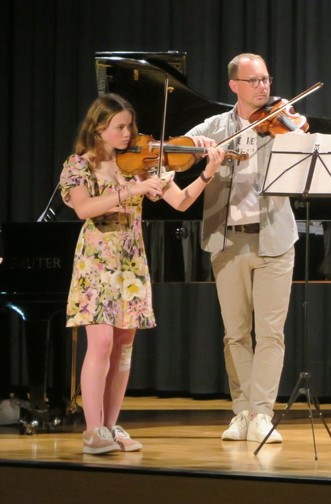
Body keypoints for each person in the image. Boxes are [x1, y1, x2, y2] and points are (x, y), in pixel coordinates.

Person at [61, 94, 224, 454]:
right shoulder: (79, 165)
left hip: (132, 261)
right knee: (101, 343)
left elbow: (181, 201)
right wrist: (130, 189)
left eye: (129, 126)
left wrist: (207, 173)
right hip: (97, 259)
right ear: (98, 127)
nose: (127, 133)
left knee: (123, 348)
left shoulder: (140, 164)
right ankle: (92, 431)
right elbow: (84, 207)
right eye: (119, 126)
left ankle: (110, 424)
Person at [185, 53, 297, 444]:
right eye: (254, 81)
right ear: (234, 85)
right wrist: (196, 146)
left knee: (270, 333)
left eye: (266, 79)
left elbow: (304, 158)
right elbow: (180, 150)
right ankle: (243, 411)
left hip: (274, 239)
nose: (264, 87)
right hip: (227, 239)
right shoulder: (216, 127)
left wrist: (295, 132)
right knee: (235, 333)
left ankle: (263, 414)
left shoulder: (282, 123)